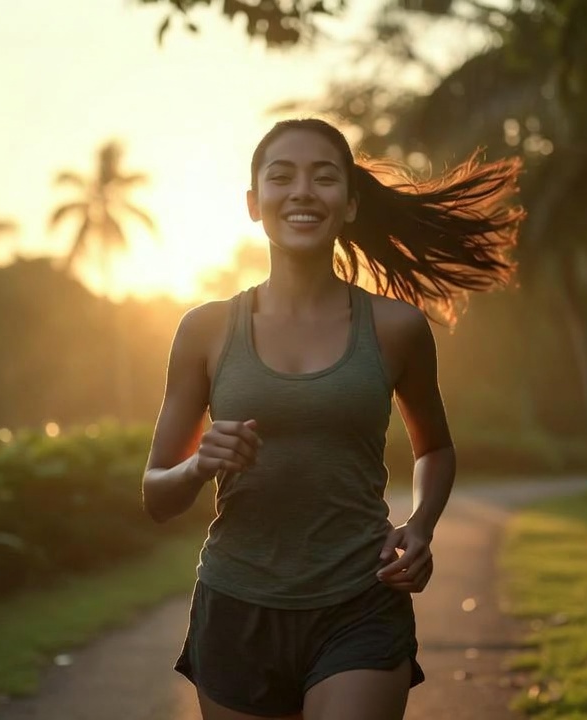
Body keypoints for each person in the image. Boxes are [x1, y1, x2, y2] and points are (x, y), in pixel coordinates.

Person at [141, 117, 521, 720]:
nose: (301, 192)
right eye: (281, 176)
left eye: (323, 178)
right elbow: (157, 495)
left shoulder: (396, 329)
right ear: (252, 203)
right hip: (238, 606)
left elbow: (434, 449)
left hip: (360, 600)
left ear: (348, 204)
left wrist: (421, 527)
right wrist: (197, 466)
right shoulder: (205, 331)